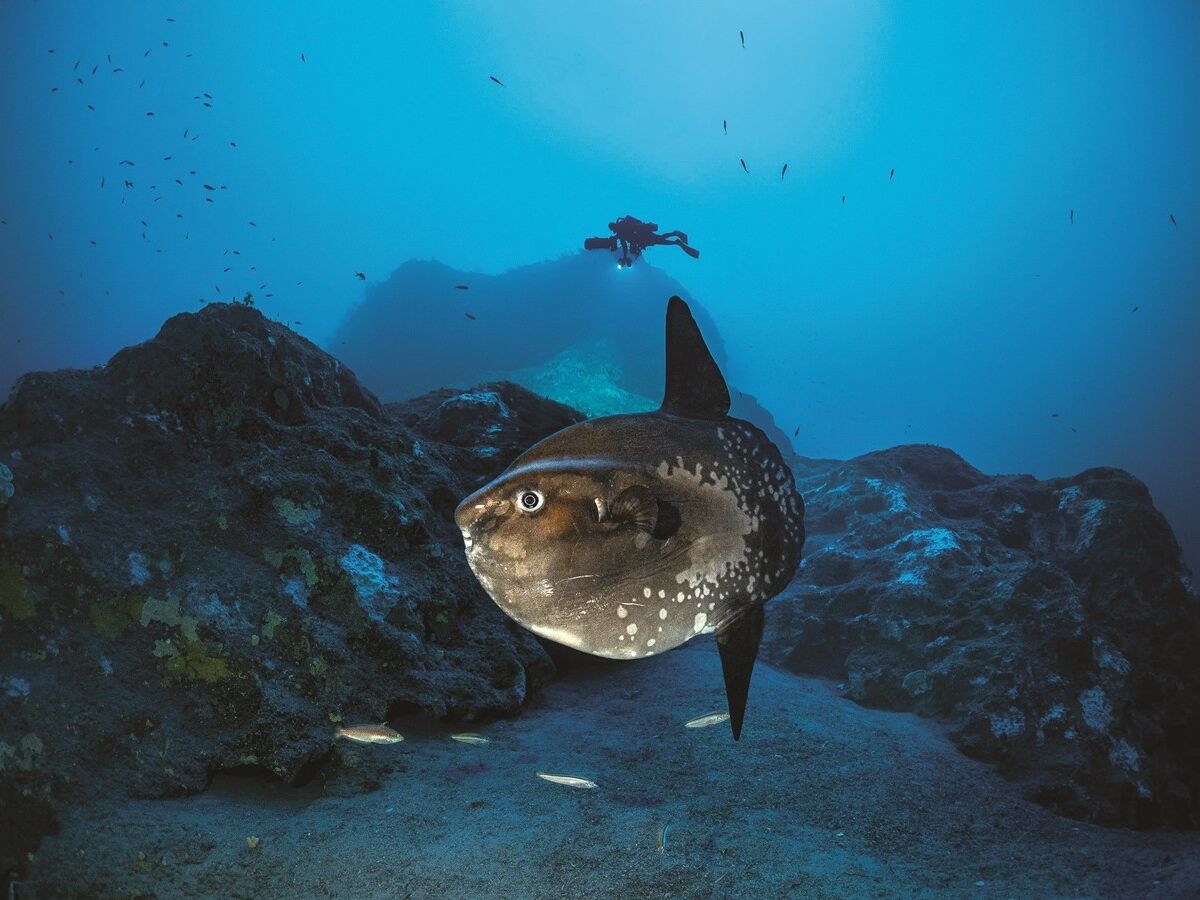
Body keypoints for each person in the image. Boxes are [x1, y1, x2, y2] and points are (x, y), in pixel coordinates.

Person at [584, 216, 699, 265]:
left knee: (660, 240)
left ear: (613, 227)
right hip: (644, 237)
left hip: (644, 239)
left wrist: (624, 256)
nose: (613, 231)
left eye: (612, 229)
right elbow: (625, 243)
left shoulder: (621, 231)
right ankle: (676, 238)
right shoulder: (622, 227)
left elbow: (624, 245)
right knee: (661, 239)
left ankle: (675, 238)